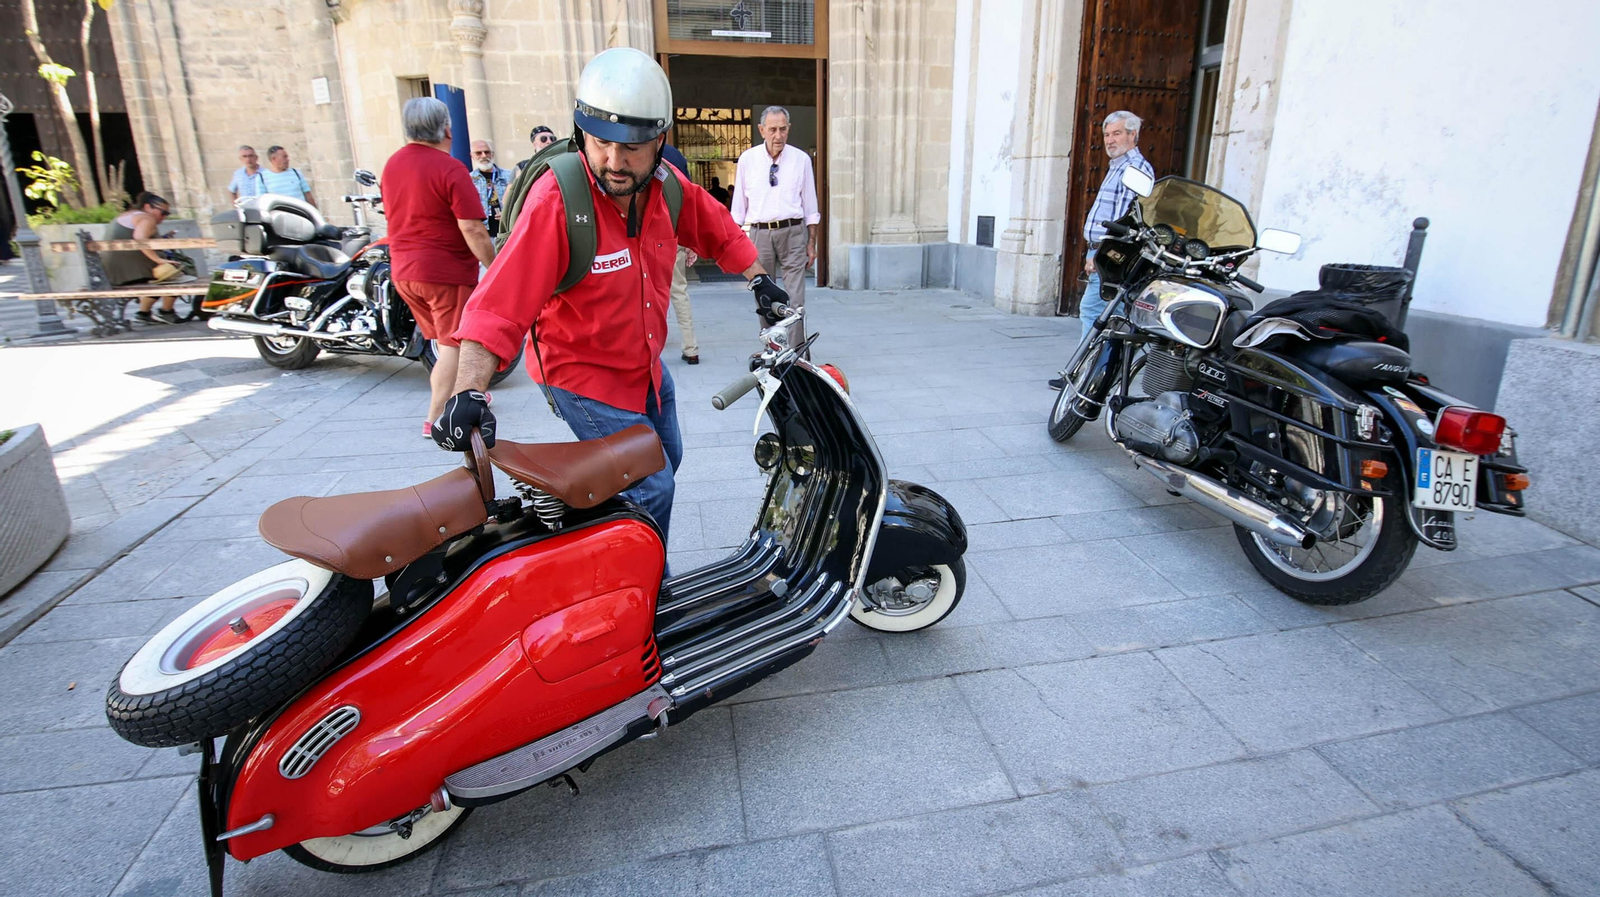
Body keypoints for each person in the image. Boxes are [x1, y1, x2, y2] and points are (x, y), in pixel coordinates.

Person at [439, 47, 787, 551]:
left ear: (659, 142)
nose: (614, 162)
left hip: (642, 363)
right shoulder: (558, 202)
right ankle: (640, 594)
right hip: (581, 373)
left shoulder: (667, 189)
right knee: (650, 483)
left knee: (668, 456)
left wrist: (758, 279)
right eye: (600, 143)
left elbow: (716, 226)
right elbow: (497, 304)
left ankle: (609, 533)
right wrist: (468, 387)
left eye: (632, 149)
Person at [382, 97, 498, 436]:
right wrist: (494, 265)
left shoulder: (392, 165)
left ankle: (462, 393)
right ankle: (435, 418)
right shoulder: (449, 169)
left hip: (404, 270)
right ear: (447, 129)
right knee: (451, 346)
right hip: (443, 272)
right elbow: (472, 228)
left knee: (443, 342)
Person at [1051, 110, 1153, 390]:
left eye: (1117, 133)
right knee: (1107, 315)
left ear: (1133, 135)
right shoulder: (1118, 166)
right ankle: (1097, 373)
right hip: (1101, 250)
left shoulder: (1135, 169)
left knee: (1094, 311)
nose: (1110, 139)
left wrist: (1099, 254)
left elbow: (1125, 220)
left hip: (1111, 254)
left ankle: (1084, 374)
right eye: (1107, 134)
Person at [731, 105, 819, 343]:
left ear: (788, 129)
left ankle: (797, 355)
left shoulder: (801, 160)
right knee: (765, 297)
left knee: (795, 299)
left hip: (793, 233)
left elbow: (810, 206)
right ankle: (773, 351)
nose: (778, 135)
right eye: (772, 129)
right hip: (760, 234)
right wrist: (734, 246)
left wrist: (811, 242)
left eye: (782, 129)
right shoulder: (748, 160)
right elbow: (738, 209)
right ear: (762, 130)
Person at [104, 192, 195, 324]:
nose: (164, 217)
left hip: (115, 270)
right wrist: (159, 260)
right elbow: (140, 239)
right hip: (128, 272)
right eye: (162, 213)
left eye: (167, 214)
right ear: (148, 207)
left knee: (165, 272)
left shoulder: (129, 215)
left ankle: (144, 313)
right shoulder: (146, 218)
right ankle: (166, 311)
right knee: (178, 272)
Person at [660, 142, 700, 364]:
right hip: (673, 232)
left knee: (648, 292)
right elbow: (687, 198)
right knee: (679, 291)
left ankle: (651, 344)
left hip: (645, 233)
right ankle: (691, 347)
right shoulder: (675, 156)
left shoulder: (634, 149)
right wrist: (689, 241)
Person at [470, 139, 513, 238]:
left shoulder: (509, 175)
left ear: (492, 154)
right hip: (483, 234)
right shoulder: (469, 179)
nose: (484, 156)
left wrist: (507, 213)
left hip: (507, 231)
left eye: (487, 152)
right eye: (478, 153)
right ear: (472, 156)